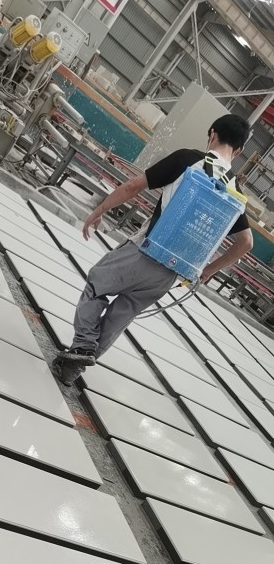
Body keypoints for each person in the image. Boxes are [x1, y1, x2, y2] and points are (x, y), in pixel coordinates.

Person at [52, 114, 254, 386]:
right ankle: (73, 367)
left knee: (97, 285)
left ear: (212, 134)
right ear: (239, 151)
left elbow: (133, 186)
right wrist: (208, 270)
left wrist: (100, 210)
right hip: (171, 272)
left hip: (146, 249)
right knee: (123, 314)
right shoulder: (235, 192)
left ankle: (83, 346)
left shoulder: (188, 159)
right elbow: (246, 242)